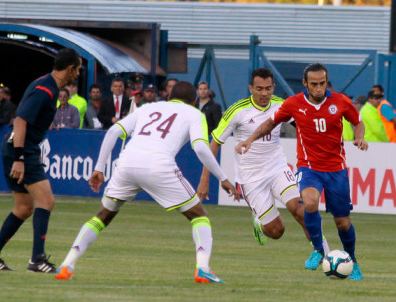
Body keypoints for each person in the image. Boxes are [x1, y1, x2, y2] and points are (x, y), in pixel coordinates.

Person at [55, 81, 240, 283]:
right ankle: (203, 268)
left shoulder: (148, 107)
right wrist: (223, 178)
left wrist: (99, 168)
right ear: (194, 101)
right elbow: (201, 149)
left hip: (127, 162)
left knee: (102, 216)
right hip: (159, 165)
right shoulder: (194, 113)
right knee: (199, 216)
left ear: (169, 97)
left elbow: (113, 132)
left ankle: (67, 264)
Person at [236, 63, 368, 280]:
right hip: (309, 167)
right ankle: (317, 249)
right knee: (308, 202)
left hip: (336, 170)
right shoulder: (294, 104)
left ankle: (352, 260)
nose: (318, 88)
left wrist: (360, 137)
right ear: (305, 84)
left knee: (343, 223)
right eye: (314, 84)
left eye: (322, 84)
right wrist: (249, 140)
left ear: (327, 83)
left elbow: (358, 122)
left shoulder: (340, 101)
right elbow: (270, 123)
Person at [197, 68, 329, 254]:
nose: (264, 93)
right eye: (259, 89)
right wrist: (205, 180)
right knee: (276, 231)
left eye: (268, 88)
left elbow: (303, 126)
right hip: (251, 177)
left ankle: (327, 257)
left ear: (274, 87)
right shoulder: (238, 111)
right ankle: (259, 223)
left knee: (301, 210)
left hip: (277, 168)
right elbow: (214, 144)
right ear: (251, 88)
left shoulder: (281, 105)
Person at [0, 48, 81, 272]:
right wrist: (21, 158)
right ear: (70, 68)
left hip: (18, 148)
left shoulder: (46, 84)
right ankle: (37, 259)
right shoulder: (45, 89)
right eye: (78, 69)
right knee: (46, 201)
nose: (78, 74)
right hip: (20, 150)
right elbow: (21, 121)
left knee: (23, 207)